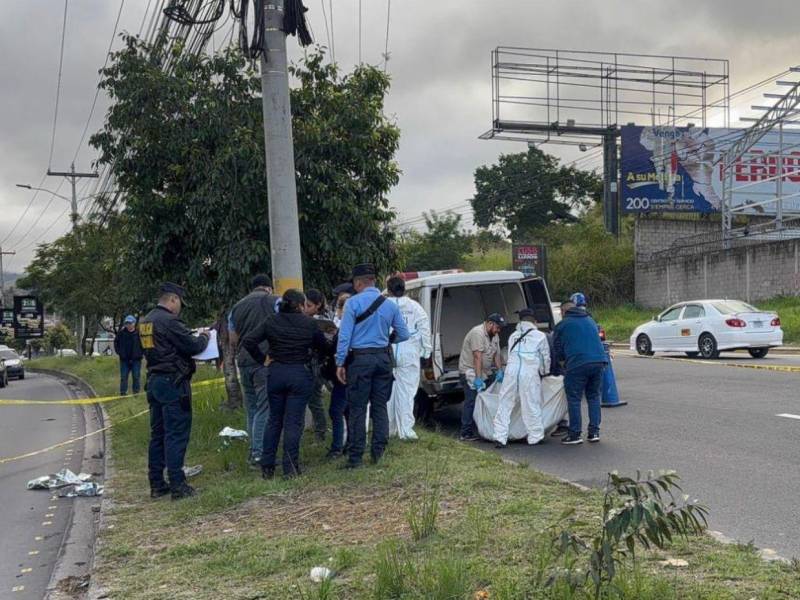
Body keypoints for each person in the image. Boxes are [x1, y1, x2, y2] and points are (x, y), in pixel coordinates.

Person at [241, 289, 330, 479]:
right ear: (299, 305)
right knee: (293, 422)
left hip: (276, 373)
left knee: (274, 420)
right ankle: (290, 467)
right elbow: (324, 347)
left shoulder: (272, 321)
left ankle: (267, 467)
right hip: (299, 373)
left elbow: (249, 341)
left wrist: (263, 358)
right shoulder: (309, 324)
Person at [139, 282, 210, 500]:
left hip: (155, 380)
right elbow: (193, 346)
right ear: (173, 300)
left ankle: (157, 483)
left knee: (158, 435)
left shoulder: (146, 321)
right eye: (180, 303)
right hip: (173, 382)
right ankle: (178, 485)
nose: (180, 308)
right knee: (176, 433)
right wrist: (205, 337)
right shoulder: (169, 321)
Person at [335, 263, 410, 469]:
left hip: (360, 361)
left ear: (359, 283)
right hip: (383, 360)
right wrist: (387, 341)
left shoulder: (352, 304)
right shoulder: (390, 305)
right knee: (380, 407)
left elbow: (344, 336)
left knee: (358, 409)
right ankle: (378, 454)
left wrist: (340, 362)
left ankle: (356, 457)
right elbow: (404, 334)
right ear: (373, 281)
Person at [228, 274, 279, 466]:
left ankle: (253, 449)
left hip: (243, 360)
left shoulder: (236, 307)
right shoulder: (274, 301)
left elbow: (233, 339)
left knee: (252, 408)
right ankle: (258, 452)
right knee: (264, 407)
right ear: (268, 288)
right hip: (264, 360)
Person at [552, 298, 608, 445]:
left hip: (577, 364)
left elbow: (557, 349)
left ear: (563, 311)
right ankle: (594, 432)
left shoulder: (562, 325)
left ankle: (575, 434)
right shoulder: (590, 320)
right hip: (599, 361)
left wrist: (562, 365)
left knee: (574, 399)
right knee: (594, 396)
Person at [492, 309, 550, 448]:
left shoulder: (513, 336)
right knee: (531, 404)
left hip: (511, 372)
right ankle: (535, 437)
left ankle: (500, 437)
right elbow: (545, 357)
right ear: (534, 321)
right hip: (529, 373)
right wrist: (544, 372)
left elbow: (510, 353)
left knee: (504, 404)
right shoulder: (540, 336)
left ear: (520, 321)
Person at [385, 276, 431, 441]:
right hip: (410, 353)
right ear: (404, 288)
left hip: (388, 353)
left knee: (387, 395)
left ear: (388, 290)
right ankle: (406, 431)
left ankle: (388, 429)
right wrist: (426, 352)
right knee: (407, 393)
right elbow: (425, 328)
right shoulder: (415, 307)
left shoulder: (384, 306)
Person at [457, 313, 505, 442]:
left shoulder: (494, 335)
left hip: (485, 372)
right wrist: (478, 379)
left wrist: (500, 371)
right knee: (471, 401)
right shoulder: (477, 333)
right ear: (490, 324)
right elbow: (477, 357)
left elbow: (496, 355)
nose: (498, 330)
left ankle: (486, 427)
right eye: (497, 327)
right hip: (471, 372)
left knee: (486, 400)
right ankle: (465, 432)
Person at [303, 289, 329, 441]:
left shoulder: (322, 321)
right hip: (306, 365)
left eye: (309, 305)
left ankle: (321, 432)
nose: (305, 308)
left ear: (318, 305)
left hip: (316, 366)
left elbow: (324, 346)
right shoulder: (303, 319)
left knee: (314, 400)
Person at [114, 315, 143, 395]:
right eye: (127, 323)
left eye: (130, 323)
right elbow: (116, 342)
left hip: (136, 359)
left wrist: (141, 353)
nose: (128, 325)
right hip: (124, 360)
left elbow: (143, 344)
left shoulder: (139, 334)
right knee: (124, 377)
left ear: (134, 323)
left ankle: (136, 393)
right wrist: (119, 352)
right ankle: (123, 393)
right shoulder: (121, 333)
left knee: (136, 376)